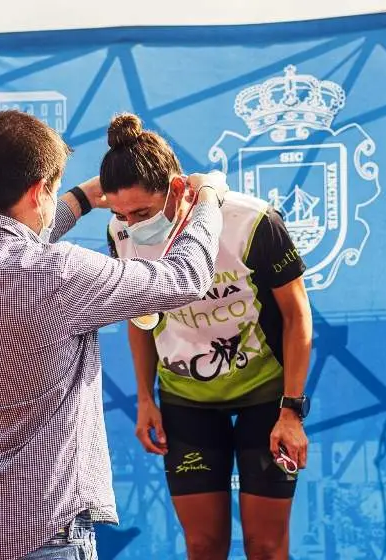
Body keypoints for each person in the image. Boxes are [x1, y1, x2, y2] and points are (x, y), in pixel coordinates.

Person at [0, 109, 229, 560]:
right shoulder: (61, 273)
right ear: (38, 190)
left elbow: (8, 243)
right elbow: (185, 277)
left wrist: (79, 197)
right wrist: (209, 201)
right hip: (44, 534)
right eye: (53, 190)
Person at [101, 113, 314, 560]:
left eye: (141, 212)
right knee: (203, 546)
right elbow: (139, 317)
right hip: (186, 400)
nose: (131, 225)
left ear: (177, 189)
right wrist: (144, 398)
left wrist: (291, 411)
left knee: (268, 547)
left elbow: (297, 317)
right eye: (121, 213)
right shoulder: (119, 232)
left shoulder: (252, 221)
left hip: (264, 396)